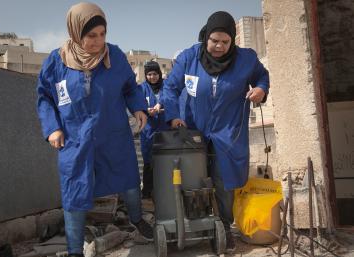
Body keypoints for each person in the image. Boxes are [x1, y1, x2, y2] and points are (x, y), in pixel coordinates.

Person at [36, 3, 153, 256]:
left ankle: (137, 218)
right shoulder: (56, 62)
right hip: (75, 138)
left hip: (113, 134)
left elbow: (130, 88)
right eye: (91, 36)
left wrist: (138, 108)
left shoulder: (115, 56)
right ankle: (75, 249)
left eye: (102, 34)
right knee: (74, 191)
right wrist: (52, 128)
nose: (98, 41)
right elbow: (45, 97)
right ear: (76, 33)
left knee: (130, 178)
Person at [162, 11, 269, 251]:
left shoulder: (246, 59)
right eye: (214, 40)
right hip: (192, 129)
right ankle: (194, 223)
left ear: (232, 41)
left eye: (225, 41)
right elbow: (170, 87)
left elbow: (262, 76)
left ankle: (223, 226)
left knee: (223, 181)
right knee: (191, 179)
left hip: (228, 130)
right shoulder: (189, 57)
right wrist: (174, 117)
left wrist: (261, 89)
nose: (219, 46)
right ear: (206, 38)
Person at [139, 61, 169, 198]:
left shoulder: (166, 86)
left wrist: (160, 108)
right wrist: (146, 111)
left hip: (165, 130)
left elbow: (171, 100)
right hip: (148, 132)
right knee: (148, 163)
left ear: (159, 74)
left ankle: (165, 192)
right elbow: (137, 105)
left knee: (166, 162)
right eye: (149, 74)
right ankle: (147, 193)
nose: (152, 77)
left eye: (155, 74)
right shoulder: (141, 88)